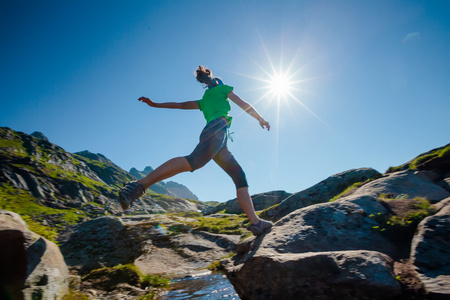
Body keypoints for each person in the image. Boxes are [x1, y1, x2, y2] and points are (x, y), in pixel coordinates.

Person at [119, 66, 273, 235]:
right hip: (217, 130)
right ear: (216, 82)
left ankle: (256, 223)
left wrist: (155, 104)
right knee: (194, 161)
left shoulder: (204, 100)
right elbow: (244, 104)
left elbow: (180, 105)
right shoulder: (223, 89)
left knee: (240, 178)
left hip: (219, 141)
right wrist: (260, 118)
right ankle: (138, 186)